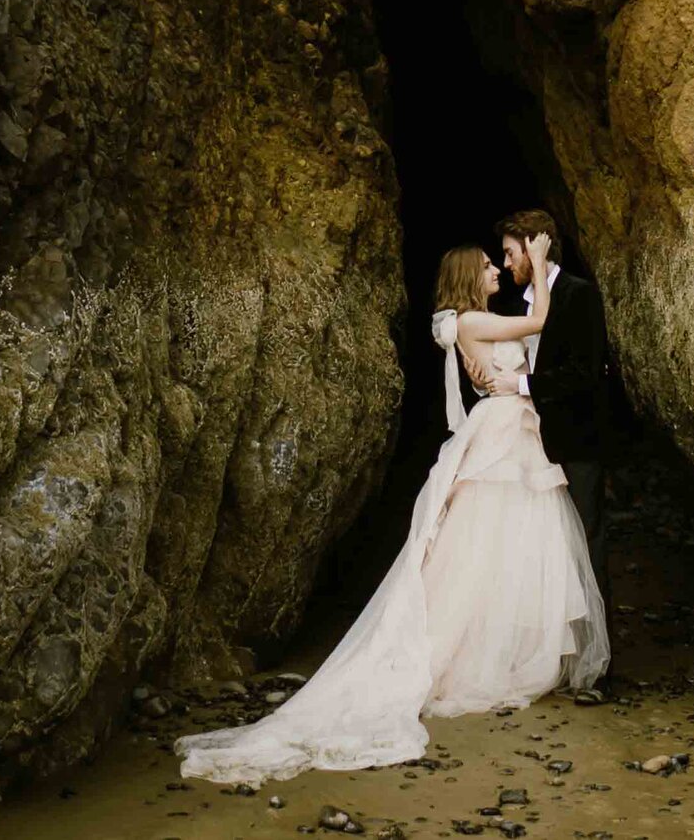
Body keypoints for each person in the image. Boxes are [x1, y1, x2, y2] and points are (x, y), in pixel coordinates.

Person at [177, 243, 609, 784]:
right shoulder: (476, 320)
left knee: (504, 539)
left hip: (512, 426)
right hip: (505, 429)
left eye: (500, 260)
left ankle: (504, 644)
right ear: (468, 279)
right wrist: (541, 260)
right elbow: (540, 320)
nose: (497, 268)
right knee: (495, 536)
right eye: (487, 265)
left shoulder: (477, 321)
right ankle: (491, 653)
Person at [473, 209, 612, 582]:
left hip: (576, 440)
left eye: (510, 253)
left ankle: (595, 639)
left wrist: (522, 386)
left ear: (536, 246)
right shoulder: (518, 306)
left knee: (586, 537)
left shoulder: (579, 294)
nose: (505, 264)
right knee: (537, 547)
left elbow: (585, 372)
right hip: (529, 442)